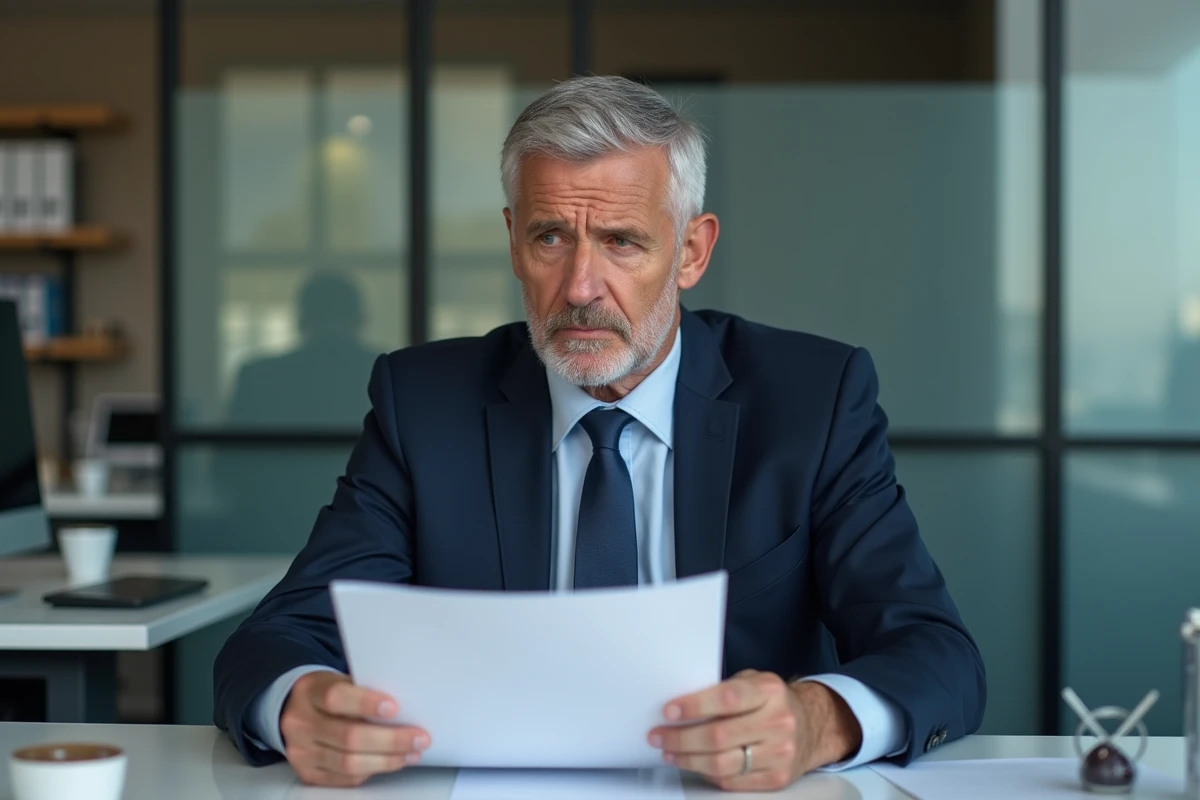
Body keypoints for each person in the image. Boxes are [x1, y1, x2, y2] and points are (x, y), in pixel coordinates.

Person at [213, 75, 986, 792]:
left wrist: (818, 721)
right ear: (515, 241)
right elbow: (278, 636)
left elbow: (936, 652)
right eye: (551, 237)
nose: (581, 288)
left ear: (690, 251)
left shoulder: (811, 401)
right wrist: (299, 705)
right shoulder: (425, 404)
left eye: (621, 241)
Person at [224, 270, 380, 429]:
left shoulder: (258, 376)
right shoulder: (388, 374)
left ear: (301, 320)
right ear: (361, 319)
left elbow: (233, 442)